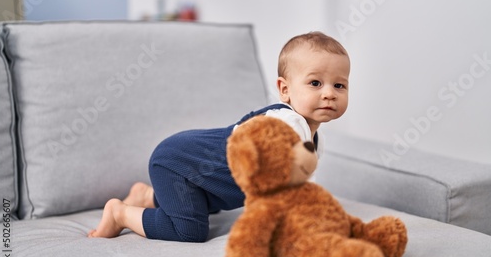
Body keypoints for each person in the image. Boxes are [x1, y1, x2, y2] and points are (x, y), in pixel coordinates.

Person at [88, 31, 350, 242]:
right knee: (189, 230)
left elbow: (304, 188)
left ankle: (147, 196)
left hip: (201, 180)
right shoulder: (284, 124)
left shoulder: (316, 141)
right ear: (284, 90)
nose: (329, 93)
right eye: (315, 83)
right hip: (176, 162)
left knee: (203, 203)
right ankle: (120, 213)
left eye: (339, 85)